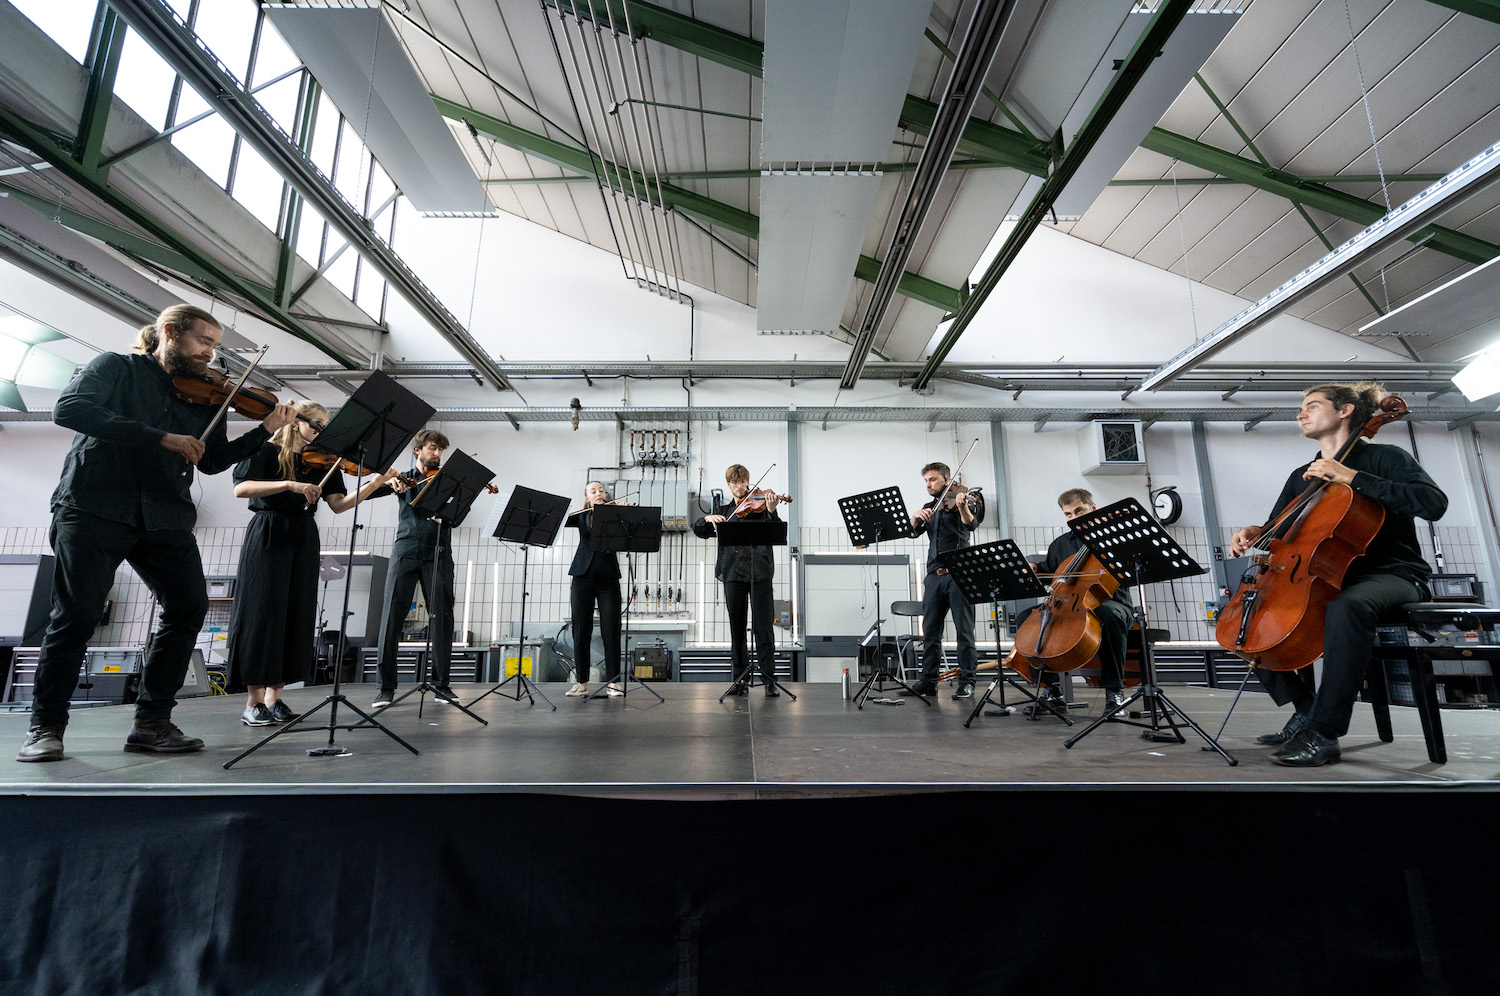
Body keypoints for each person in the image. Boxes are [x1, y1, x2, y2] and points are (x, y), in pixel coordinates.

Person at [17, 304, 297, 763]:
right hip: (94, 505)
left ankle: (151, 722)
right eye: (204, 342)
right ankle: (46, 725)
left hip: (165, 512)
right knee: (74, 617)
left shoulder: (208, 396)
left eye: (215, 346)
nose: (211, 354)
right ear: (170, 332)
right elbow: (68, 408)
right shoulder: (116, 367)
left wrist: (263, 432)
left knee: (188, 606)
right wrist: (159, 437)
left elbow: (209, 460)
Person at [1229, 383, 1448, 767]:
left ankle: (1323, 733)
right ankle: (1305, 708)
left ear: (1346, 410)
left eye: (1312, 406)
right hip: (1323, 576)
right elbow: (1280, 531)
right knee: (1242, 617)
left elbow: (1433, 504)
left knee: (1348, 608)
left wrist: (1352, 477)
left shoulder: (1385, 458)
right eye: (1301, 408)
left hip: (1391, 574)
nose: (1301, 414)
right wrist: (1254, 533)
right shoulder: (1304, 475)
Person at [227, 401, 400, 726]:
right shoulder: (265, 449)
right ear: (296, 422)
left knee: (296, 611)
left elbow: (338, 504)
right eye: (316, 423)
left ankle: (275, 697)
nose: (321, 429)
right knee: (262, 613)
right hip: (268, 530)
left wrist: (376, 483)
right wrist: (289, 484)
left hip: (303, 533)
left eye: (325, 425)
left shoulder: (323, 462)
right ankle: (253, 701)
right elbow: (241, 487)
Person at [1016, 489, 1133, 716]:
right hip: (1069, 605)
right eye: (1068, 514)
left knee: (1109, 615)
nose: (1074, 518)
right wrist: (1035, 567)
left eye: (1079, 511)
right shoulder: (1059, 545)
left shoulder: (1114, 538)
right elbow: (1051, 572)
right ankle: (1051, 690)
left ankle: (1114, 692)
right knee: (1025, 619)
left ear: (1093, 508)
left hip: (1112, 602)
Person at [368, 429, 459, 709]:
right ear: (417, 450)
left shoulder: (448, 480)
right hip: (405, 548)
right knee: (392, 617)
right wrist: (385, 479)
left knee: (442, 618)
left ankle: (441, 685)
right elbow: (370, 492)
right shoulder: (402, 478)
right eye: (432, 448)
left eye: (441, 450)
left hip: (439, 550)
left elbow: (455, 518)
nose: (437, 454)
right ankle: (385, 688)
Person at [692, 464, 782, 696]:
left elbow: (775, 531)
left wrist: (771, 510)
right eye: (737, 482)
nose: (742, 486)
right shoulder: (724, 512)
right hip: (732, 573)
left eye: (745, 482)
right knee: (737, 630)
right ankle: (739, 679)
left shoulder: (762, 508)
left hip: (760, 573)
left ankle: (769, 680)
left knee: (764, 629)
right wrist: (706, 518)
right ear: (729, 484)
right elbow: (699, 530)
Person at [907, 463, 984, 700]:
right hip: (934, 576)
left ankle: (967, 682)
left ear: (946, 478)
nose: (929, 484)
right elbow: (911, 533)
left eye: (932, 479)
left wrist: (962, 506)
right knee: (930, 633)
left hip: (960, 574)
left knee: (964, 632)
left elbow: (971, 523)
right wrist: (914, 518)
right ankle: (928, 682)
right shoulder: (929, 508)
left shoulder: (966, 499)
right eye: (926, 481)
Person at [564, 481, 625, 697]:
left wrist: (621, 515)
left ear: (606, 494)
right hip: (582, 576)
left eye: (601, 490)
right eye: (593, 491)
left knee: (611, 630)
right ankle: (581, 682)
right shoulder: (581, 515)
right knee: (581, 630)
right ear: (587, 497)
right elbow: (562, 519)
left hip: (608, 577)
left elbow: (623, 539)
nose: (598, 493)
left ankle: (614, 683)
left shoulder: (615, 513)